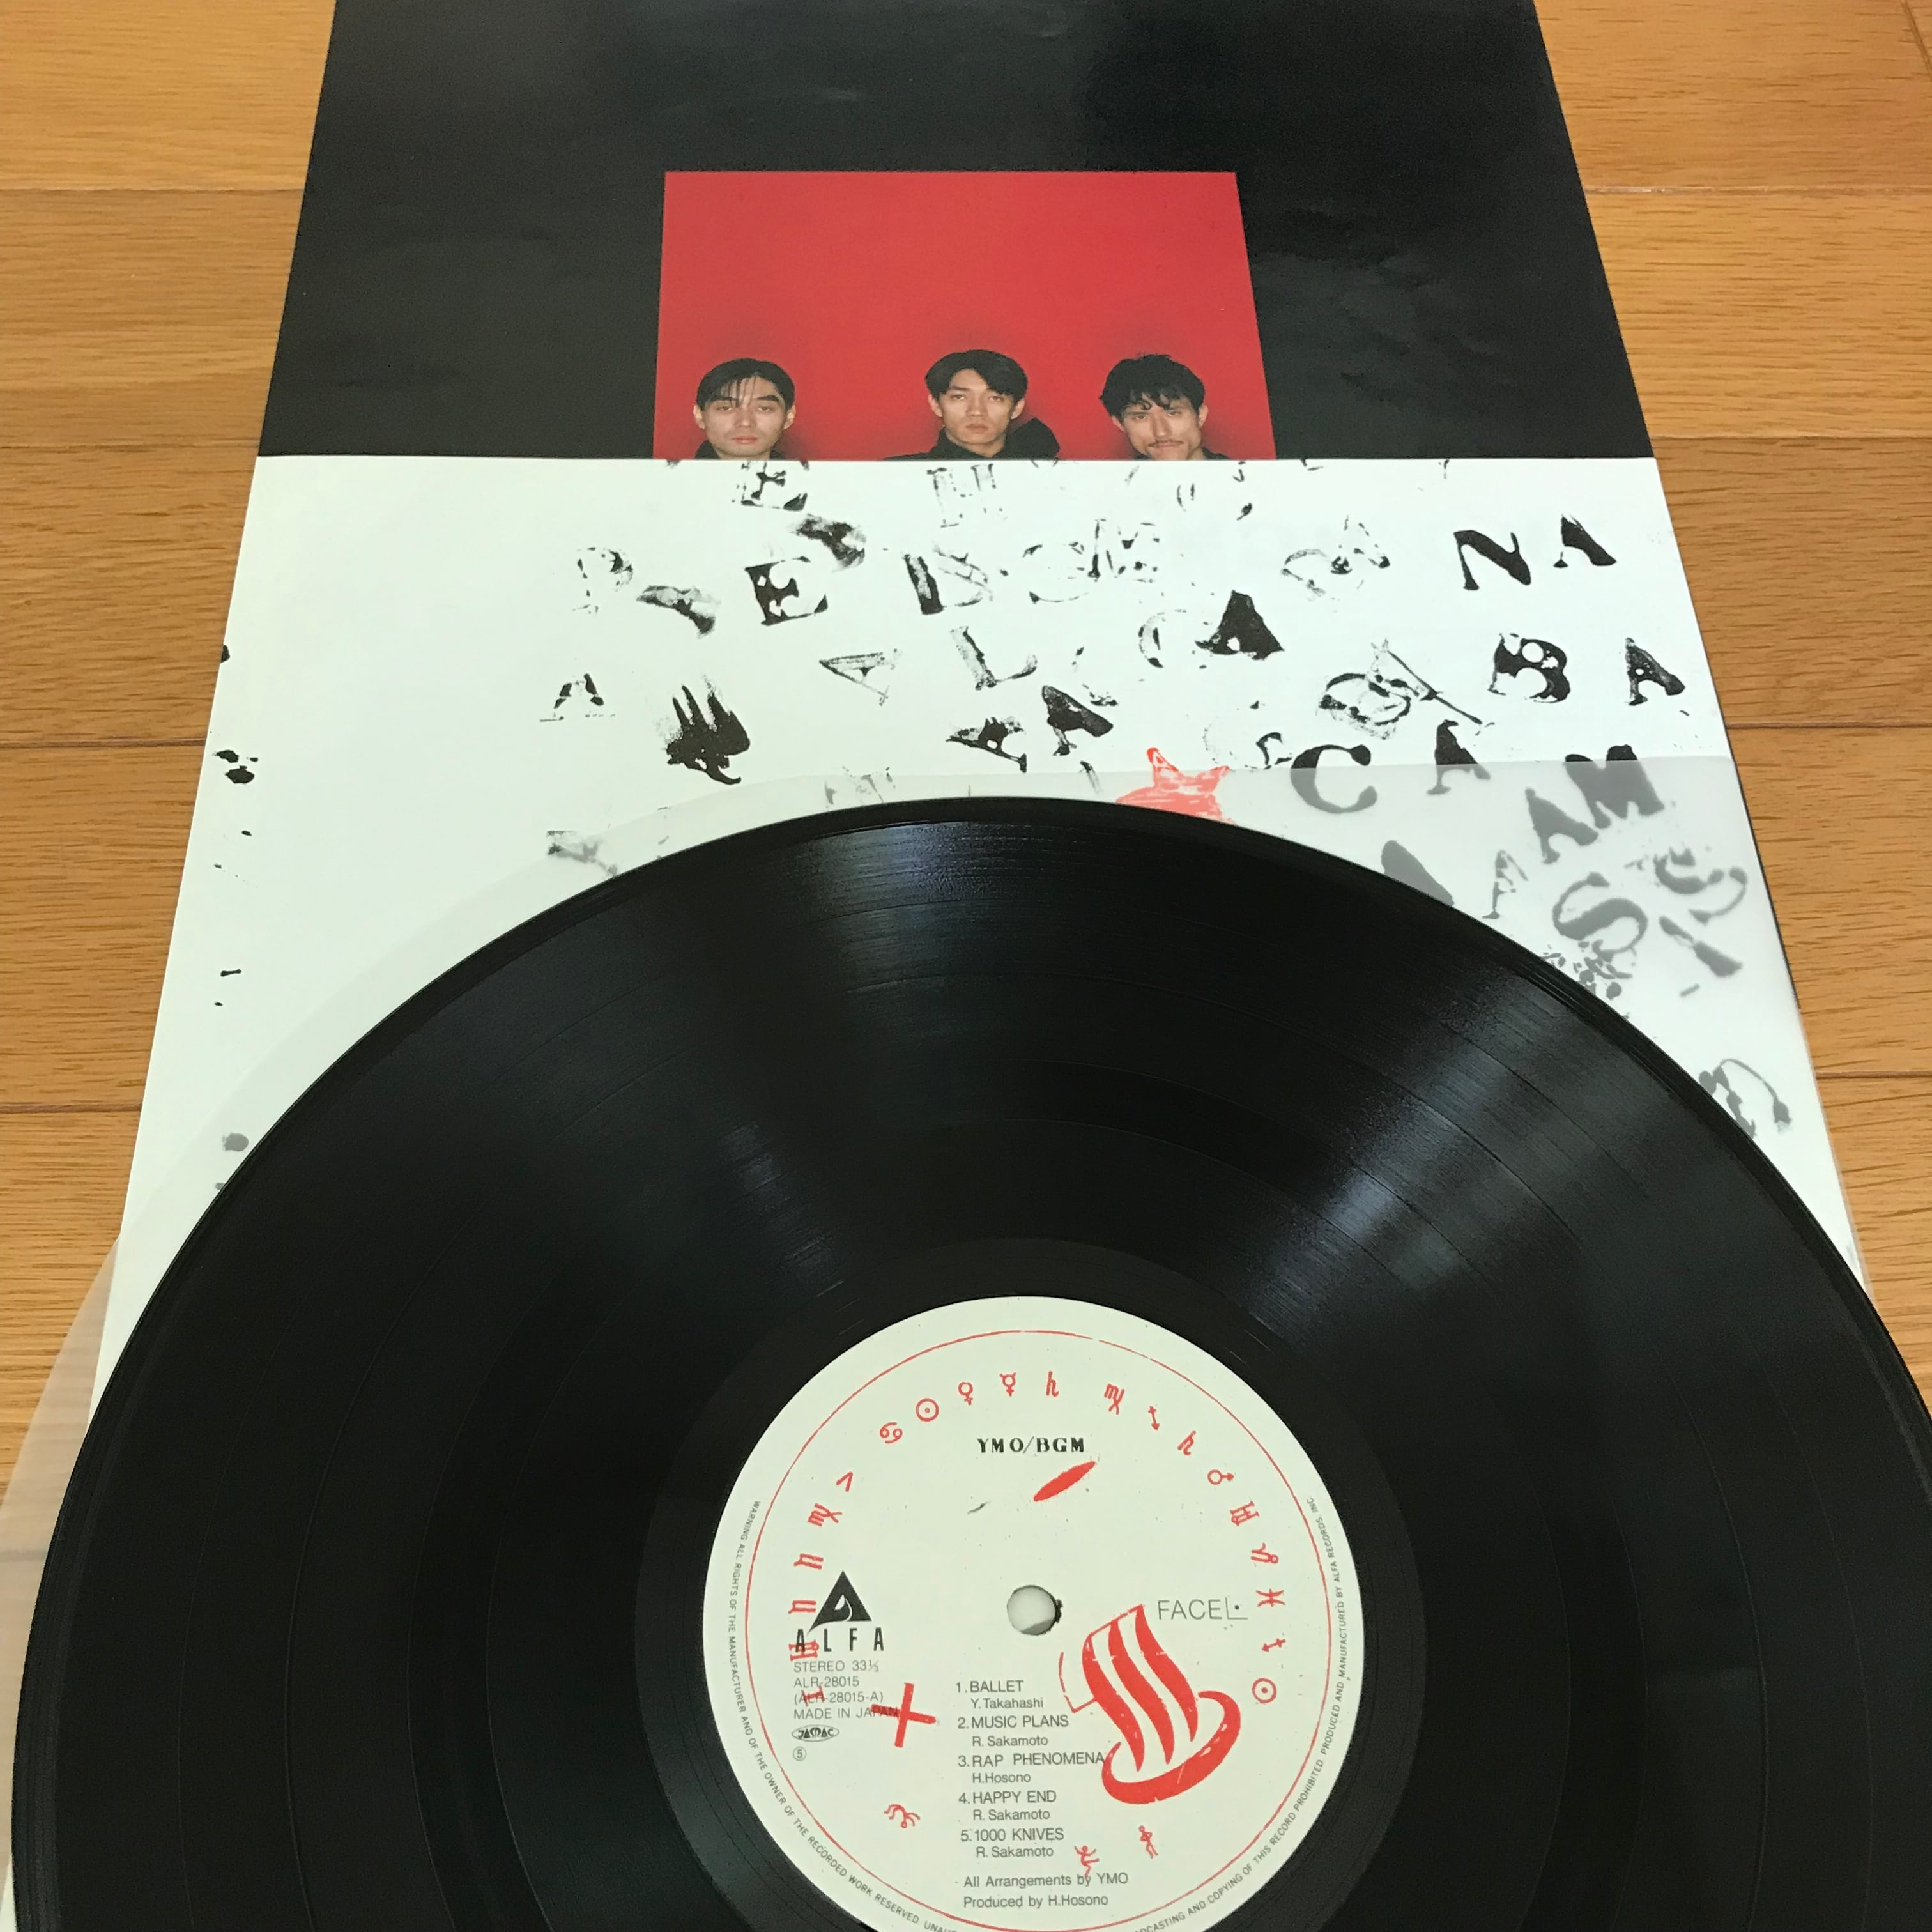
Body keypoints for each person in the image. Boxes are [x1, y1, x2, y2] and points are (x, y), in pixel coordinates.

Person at [895, 350, 1059, 460]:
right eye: (959, 397)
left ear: (1017, 408)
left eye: (994, 398)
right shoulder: (897, 475)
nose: (977, 411)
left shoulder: (1055, 476)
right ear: (936, 405)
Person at [1100, 354, 1230, 460]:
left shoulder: (1240, 478)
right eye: (1141, 417)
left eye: (1173, 413)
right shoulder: (1111, 484)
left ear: (1201, 415)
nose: (1161, 433)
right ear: (1120, 424)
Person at [692, 358, 795, 460]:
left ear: (789, 417)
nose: (745, 423)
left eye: (764, 408)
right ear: (700, 416)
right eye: (726, 408)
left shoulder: (801, 472)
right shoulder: (682, 472)